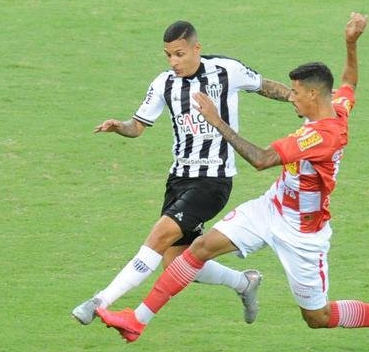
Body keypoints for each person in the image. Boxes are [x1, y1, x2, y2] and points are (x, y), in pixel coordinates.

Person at [95, 13, 369, 348]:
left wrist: (217, 120)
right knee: (198, 249)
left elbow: (261, 160)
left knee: (317, 317)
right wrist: (350, 43)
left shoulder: (320, 137)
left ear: (314, 97)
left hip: (302, 231)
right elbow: (349, 83)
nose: (292, 96)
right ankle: (136, 320)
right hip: (270, 207)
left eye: (297, 93)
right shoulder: (337, 106)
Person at [72, 20, 297, 326]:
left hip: (213, 181)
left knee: (159, 236)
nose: (173, 62)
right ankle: (244, 283)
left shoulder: (226, 70)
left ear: (196, 49)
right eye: (168, 55)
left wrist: (300, 98)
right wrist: (119, 127)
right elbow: (138, 126)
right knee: (175, 262)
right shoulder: (163, 84)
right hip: (179, 179)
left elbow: (264, 85)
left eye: (179, 54)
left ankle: (100, 301)